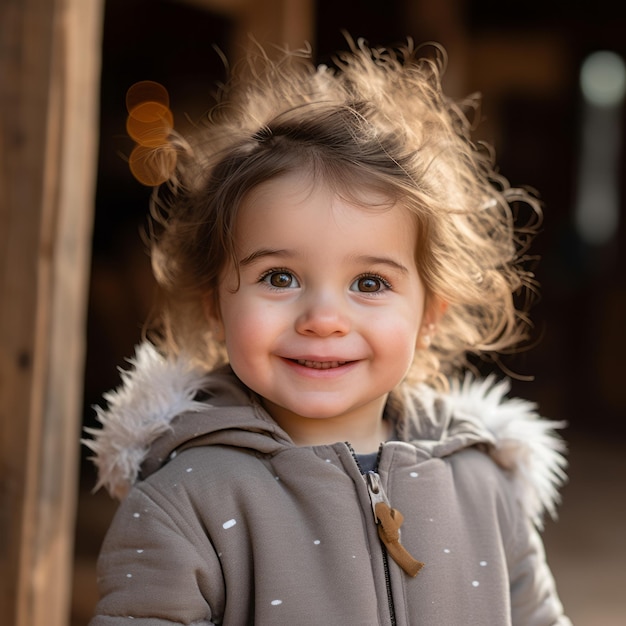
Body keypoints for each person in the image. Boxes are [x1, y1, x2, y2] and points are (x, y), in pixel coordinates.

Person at [85, 37, 571, 625]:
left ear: (430, 313)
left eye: (369, 283)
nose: (322, 318)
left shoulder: (484, 487)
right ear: (214, 302)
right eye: (280, 275)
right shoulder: (182, 502)